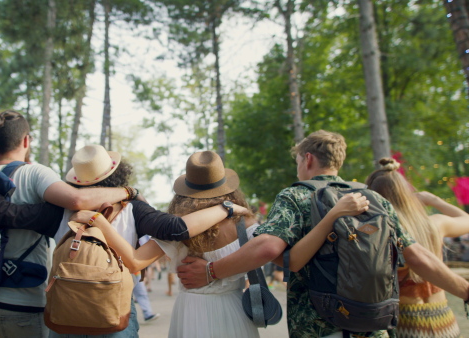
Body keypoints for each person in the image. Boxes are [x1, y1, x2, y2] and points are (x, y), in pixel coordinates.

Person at [175, 130, 469, 338]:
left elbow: (266, 248)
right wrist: (465, 291)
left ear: (308, 159)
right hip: (374, 321)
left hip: (317, 325)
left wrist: (212, 270)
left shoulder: (296, 196)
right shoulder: (375, 199)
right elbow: (418, 256)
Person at [72, 150, 371, 338]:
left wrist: (101, 225)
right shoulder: (245, 222)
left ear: (186, 189)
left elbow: (135, 262)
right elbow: (278, 253)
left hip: (191, 311)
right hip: (234, 311)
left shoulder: (177, 228)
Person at [0, 145, 249, 338]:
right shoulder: (136, 209)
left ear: (77, 179)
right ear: (117, 174)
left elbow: (1, 213)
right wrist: (227, 208)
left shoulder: (58, 211)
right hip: (114, 313)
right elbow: (176, 227)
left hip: (65, 313)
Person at [0, 111, 138, 338]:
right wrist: (127, 191)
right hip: (23, 310)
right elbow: (77, 200)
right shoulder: (34, 173)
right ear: (26, 140)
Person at [366, 158, 469, 338]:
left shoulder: (380, 231)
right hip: (444, 320)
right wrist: (434, 200)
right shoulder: (435, 224)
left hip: (404, 322)